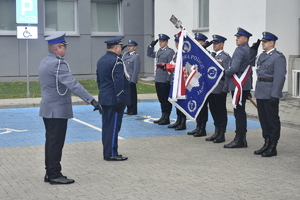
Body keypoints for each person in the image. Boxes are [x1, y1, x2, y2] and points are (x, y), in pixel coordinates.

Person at [39, 32, 101, 184]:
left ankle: (50, 172)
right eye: (64, 46)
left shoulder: (45, 61)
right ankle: (54, 175)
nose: (66, 48)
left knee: (51, 142)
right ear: (58, 47)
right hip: (57, 110)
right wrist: (92, 100)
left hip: (48, 108)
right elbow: (73, 84)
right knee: (56, 143)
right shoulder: (59, 63)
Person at [96, 36, 130, 161]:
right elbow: (119, 82)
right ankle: (110, 153)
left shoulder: (101, 60)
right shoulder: (117, 61)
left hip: (105, 97)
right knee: (114, 126)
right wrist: (120, 99)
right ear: (116, 47)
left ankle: (110, 151)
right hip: (114, 99)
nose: (121, 49)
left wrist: (103, 92)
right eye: (120, 47)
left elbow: (99, 80)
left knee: (107, 126)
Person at [254, 32, 286, 157]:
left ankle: (273, 146)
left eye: (265, 41)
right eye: (262, 41)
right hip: (261, 92)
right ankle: (266, 142)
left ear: (272, 43)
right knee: (263, 120)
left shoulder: (278, 57)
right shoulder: (262, 56)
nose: (263, 43)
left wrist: (275, 94)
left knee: (272, 120)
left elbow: (279, 77)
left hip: (270, 93)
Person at [223, 27, 252, 148]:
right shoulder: (250, 50)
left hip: (238, 84)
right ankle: (242, 139)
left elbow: (234, 68)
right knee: (241, 111)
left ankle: (239, 139)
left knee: (239, 112)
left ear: (245, 39)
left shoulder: (239, 50)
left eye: (239, 37)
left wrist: (225, 73)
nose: (236, 39)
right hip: (245, 84)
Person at [205, 34, 231, 143]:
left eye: (216, 43)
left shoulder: (226, 57)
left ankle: (222, 133)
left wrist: (225, 89)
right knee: (214, 110)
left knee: (221, 111)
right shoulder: (212, 56)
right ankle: (216, 131)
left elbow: (228, 74)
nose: (214, 45)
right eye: (214, 43)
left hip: (220, 87)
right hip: (211, 88)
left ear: (222, 44)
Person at [187, 32, 211, 137]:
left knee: (203, 106)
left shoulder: (207, 53)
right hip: (196, 83)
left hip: (204, 85)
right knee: (197, 106)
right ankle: (198, 126)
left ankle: (202, 128)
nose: (196, 43)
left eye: (199, 41)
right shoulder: (195, 54)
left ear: (204, 42)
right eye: (195, 41)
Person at [147, 34, 175, 125]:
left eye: (162, 41)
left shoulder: (170, 52)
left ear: (167, 42)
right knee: (161, 99)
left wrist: (168, 79)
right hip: (158, 78)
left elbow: (170, 66)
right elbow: (150, 54)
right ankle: (163, 116)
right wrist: (151, 46)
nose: (160, 43)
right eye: (159, 41)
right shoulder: (159, 51)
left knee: (166, 100)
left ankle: (167, 117)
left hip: (164, 79)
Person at [167, 34, 186, 130]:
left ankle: (183, 122)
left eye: (179, 42)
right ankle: (178, 120)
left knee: (182, 102)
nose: (177, 44)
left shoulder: (184, 53)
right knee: (177, 102)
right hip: (175, 81)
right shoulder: (176, 54)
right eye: (176, 42)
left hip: (181, 82)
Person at [122, 40, 141, 115]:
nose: (129, 47)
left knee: (132, 96)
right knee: (127, 95)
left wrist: (133, 80)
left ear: (135, 47)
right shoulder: (125, 55)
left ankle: (133, 110)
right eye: (128, 46)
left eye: (131, 46)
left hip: (130, 79)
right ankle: (129, 108)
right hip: (125, 79)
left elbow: (136, 69)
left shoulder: (136, 57)